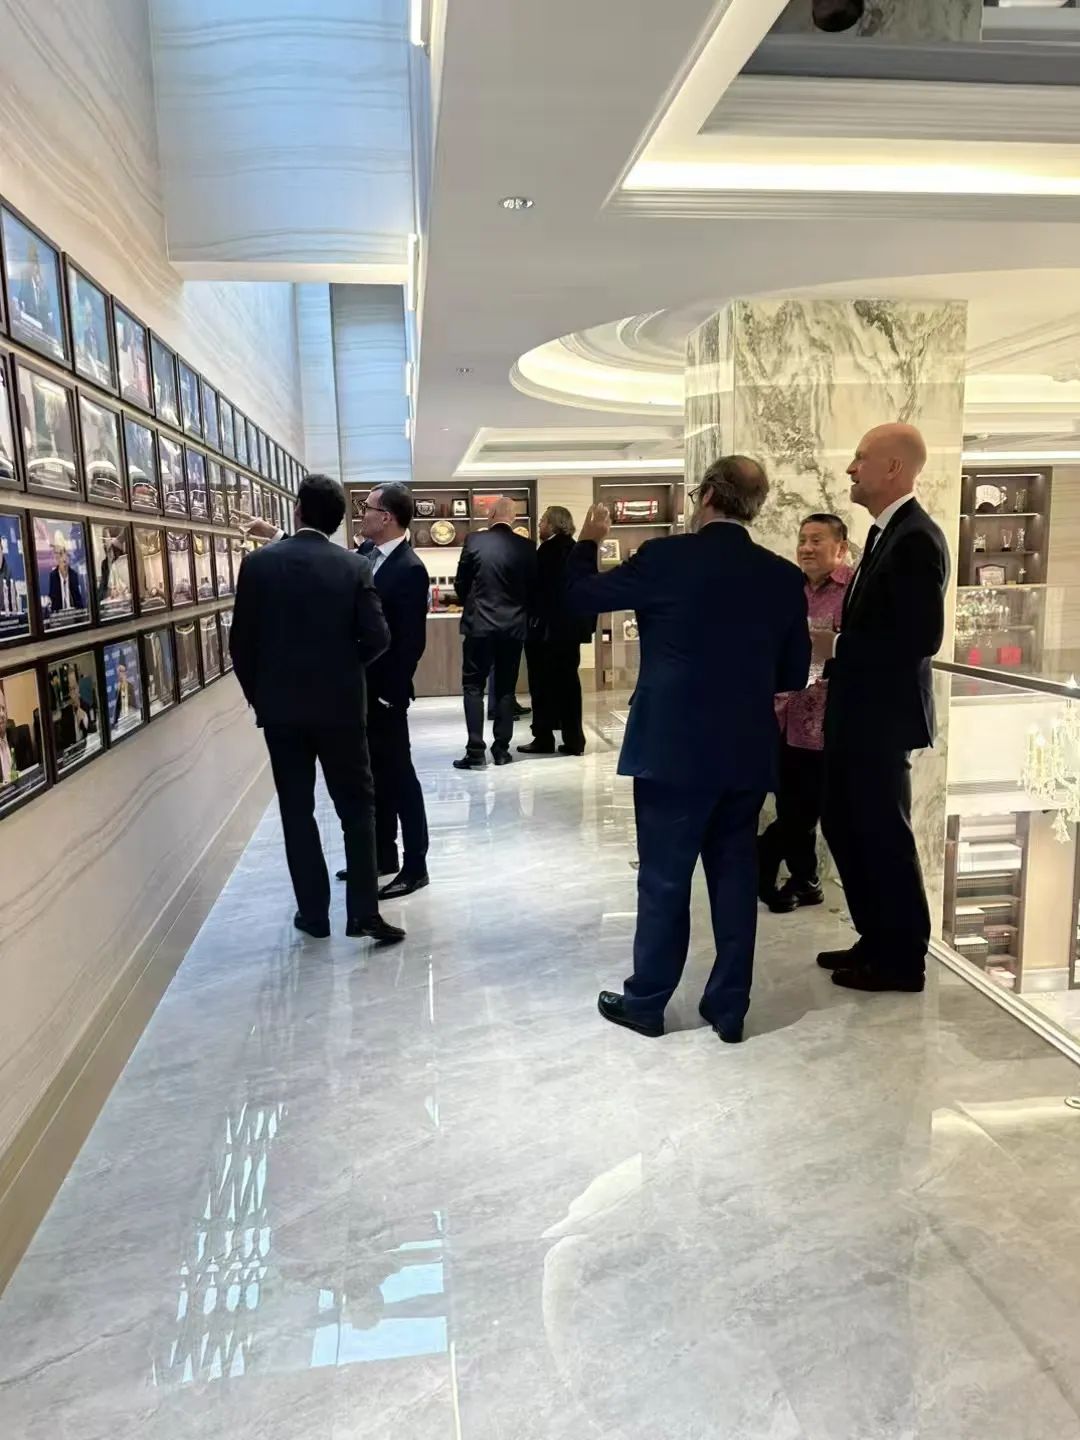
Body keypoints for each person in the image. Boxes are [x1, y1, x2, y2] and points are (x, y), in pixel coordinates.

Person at [566, 456, 810, 1042]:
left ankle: (647, 1001)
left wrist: (588, 542)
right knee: (734, 878)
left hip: (670, 747)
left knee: (664, 879)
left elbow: (579, 597)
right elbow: (793, 674)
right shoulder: (781, 576)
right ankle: (729, 1007)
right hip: (745, 749)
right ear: (756, 506)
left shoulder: (664, 557)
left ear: (705, 497)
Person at [229, 473, 404, 945]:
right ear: (338, 519)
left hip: (281, 712)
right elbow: (379, 637)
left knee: (297, 810)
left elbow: (240, 644)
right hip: (341, 707)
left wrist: (261, 696)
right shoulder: (354, 567)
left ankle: (314, 914)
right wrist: (346, 667)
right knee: (357, 809)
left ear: (298, 510)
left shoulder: (259, 564)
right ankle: (363, 913)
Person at [818, 423, 949, 994]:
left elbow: (921, 637)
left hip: (882, 719)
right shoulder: (885, 533)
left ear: (893, 467)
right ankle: (875, 940)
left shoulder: (916, 537)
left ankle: (902, 960)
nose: (850, 468)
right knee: (846, 826)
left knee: (882, 836)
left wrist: (835, 646)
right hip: (859, 713)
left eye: (860, 457)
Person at [758, 514, 853, 914]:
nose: (807, 548)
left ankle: (764, 857)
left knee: (808, 806)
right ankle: (806, 880)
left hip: (830, 722)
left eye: (817, 540)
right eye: (802, 540)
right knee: (791, 803)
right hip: (786, 715)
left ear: (840, 548)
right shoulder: (788, 590)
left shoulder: (853, 590)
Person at [341, 483, 431, 899]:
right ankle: (383, 855)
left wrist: (390, 695)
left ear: (387, 517)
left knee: (400, 777)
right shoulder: (365, 555)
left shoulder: (409, 569)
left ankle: (416, 866)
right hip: (362, 690)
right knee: (374, 776)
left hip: (385, 694)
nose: (362, 514)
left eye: (368, 508)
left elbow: (411, 643)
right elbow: (326, 564)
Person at [453, 496, 537, 769]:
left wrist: (472, 603)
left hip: (479, 626)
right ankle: (501, 750)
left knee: (473, 686)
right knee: (505, 688)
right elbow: (533, 590)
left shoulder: (474, 541)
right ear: (513, 518)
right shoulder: (527, 547)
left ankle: (475, 751)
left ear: (490, 515)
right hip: (513, 628)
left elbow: (461, 583)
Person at [518, 505, 591, 758]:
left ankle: (543, 737)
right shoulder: (576, 550)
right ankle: (574, 739)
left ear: (552, 525)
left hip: (544, 632)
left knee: (541, 685)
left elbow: (536, 592)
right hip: (570, 632)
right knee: (569, 684)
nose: (539, 525)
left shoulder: (546, 552)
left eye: (542, 521)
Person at [48, 532, 84, 616]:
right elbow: (53, 604)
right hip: (60, 617)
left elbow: (80, 603)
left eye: (65, 554)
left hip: (74, 615)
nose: (63, 558)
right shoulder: (53, 576)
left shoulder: (74, 575)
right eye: (59, 554)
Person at [112, 660, 137, 728]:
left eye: (122, 671)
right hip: (122, 719)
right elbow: (117, 707)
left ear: (125, 673)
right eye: (119, 671)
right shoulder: (118, 688)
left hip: (130, 717)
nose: (120, 674)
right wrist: (115, 722)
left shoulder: (129, 686)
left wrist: (123, 684)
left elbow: (129, 704)